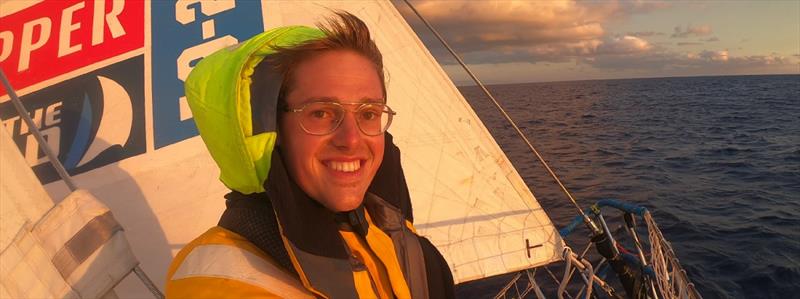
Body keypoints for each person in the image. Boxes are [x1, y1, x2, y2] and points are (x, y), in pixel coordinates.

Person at [165, 12, 454, 299]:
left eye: (368, 114)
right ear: (271, 131)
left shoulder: (387, 229)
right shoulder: (218, 279)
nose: (352, 139)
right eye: (321, 113)